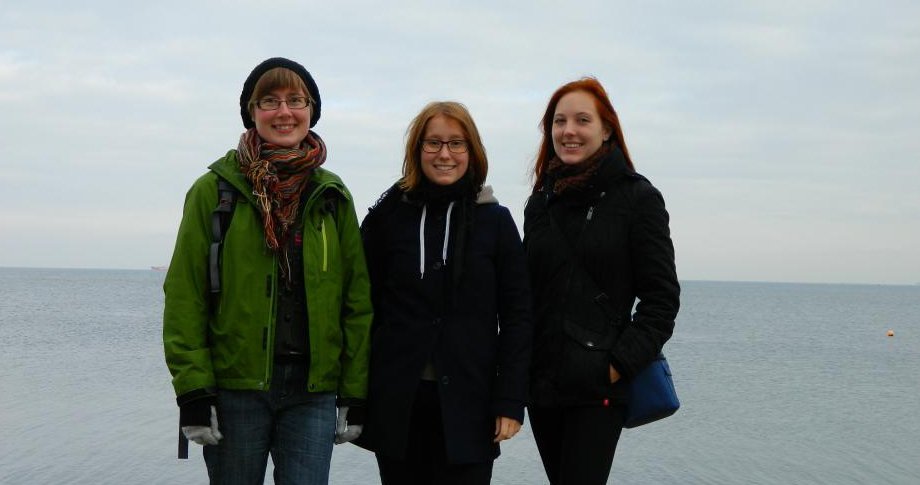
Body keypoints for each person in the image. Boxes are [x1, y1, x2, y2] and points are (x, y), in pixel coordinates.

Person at [162, 57, 372, 485]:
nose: (284, 112)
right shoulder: (214, 191)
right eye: (270, 101)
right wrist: (194, 392)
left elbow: (357, 301)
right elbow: (185, 296)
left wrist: (354, 392)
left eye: (296, 100)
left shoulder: (332, 195)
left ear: (311, 111)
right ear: (251, 112)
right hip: (236, 389)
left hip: (312, 394)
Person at [357, 101, 532, 484]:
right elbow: (360, 306)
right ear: (417, 150)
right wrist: (353, 394)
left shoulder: (496, 222)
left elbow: (518, 316)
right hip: (397, 402)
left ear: (472, 151)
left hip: (472, 404)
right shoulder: (388, 218)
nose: (445, 154)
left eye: (456, 143)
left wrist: (510, 401)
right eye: (433, 143)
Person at [523, 77, 680, 484]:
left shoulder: (638, 198)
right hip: (542, 386)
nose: (568, 131)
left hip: (598, 388)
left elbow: (661, 301)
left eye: (581, 120)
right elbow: (527, 292)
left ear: (606, 128)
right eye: (559, 121)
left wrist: (616, 365)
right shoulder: (540, 201)